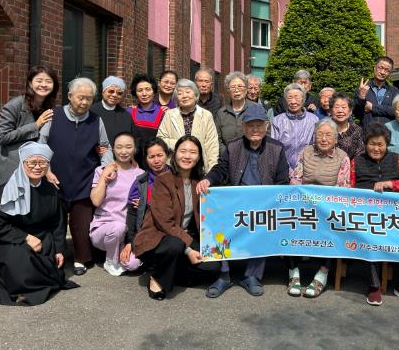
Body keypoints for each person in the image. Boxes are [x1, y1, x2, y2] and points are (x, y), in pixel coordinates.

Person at [196, 103, 290, 298]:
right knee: (218, 221)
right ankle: (224, 275)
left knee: (266, 223)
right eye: (250, 125)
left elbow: (283, 181)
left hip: (264, 204)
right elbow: (221, 169)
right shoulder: (233, 146)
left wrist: (272, 201)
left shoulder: (277, 148)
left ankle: (252, 276)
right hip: (236, 203)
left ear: (266, 126)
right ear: (243, 127)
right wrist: (208, 179)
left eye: (259, 125)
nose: (255, 130)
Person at [0, 142, 78, 305]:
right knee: (20, 262)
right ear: (23, 163)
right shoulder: (5, 190)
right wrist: (26, 237)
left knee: (50, 268)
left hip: (41, 236)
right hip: (7, 238)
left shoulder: (51, 190)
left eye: (43, 162)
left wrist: (59, 250)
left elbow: (57, 223)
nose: (37, 167)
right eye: (32, 162)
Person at [38, 77, 113, 276]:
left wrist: (105, 168)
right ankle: (56, 256)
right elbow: (40, 145)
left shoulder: (96, 120)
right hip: (55, 179)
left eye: (89, 98)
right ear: (70, 96)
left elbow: (105, 147)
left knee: (82, 224)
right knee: (56, 223)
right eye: (80, 97)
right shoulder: (54, 116)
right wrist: (46, 170)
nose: (84, 102)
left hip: (84, 179)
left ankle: (81, 258)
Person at [350, 123, 399, 306]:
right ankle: (374, 286)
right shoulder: (357, 161)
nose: (376, 148)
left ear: (387, 144)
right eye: (372, 144)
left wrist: (390, 184)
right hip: (367, 215)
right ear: (365, 144)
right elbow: (350, 188)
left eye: (380, 144)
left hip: (395, 215)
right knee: (369, 239)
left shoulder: (396, 159)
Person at [134, 136, 209, 300]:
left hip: (183, 235)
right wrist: (188, 250)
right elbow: (165, 223)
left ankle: (170, 270)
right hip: (159, 237)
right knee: (175, 245)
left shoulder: (199, 182)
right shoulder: (163, 180)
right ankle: (156, 277)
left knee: (213, 267)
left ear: (198, 157)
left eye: (193, 152)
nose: (187, 156)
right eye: (183, 151)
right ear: (175, 154)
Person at [288, 118, 350, 297]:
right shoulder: (306, 152)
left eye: (328, 135)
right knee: (289, 224)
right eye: (320, 135)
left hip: (328, 208)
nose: (323, 139)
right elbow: (296, 179)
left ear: (336, 139)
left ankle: (323, 273)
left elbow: (343, 187)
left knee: (333, 227)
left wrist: (323, 204)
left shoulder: (342, 157)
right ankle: (293, 272)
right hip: (304, 204)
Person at [0, 65, 59, 190]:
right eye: (39, 81)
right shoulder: (15, 105)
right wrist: (35, 125)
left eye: (48, 81)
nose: (43, 85)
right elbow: (2, 137)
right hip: (10, 170)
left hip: (35, 170)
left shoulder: (50, 107)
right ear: (30, 83)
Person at [89, 132, 145, 276]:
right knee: (118, 227)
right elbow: (95, 201)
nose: (123, 151)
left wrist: (142, 203)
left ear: (135, 149)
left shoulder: (141, 174)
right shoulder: (101, 170)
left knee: (133, 264)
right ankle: (111, 260)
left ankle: (119, 254)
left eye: (128, 147)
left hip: (127, 232)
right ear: (113, 149)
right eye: (119, 147)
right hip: (104, 229)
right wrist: (104, 176)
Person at [121, 138, 171, 269]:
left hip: (170, 232)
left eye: (160, 155)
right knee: (129, 264)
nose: (156, 160)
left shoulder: (177, 178)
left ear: (167, 155)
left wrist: (148, 204)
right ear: (146, 159)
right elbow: (132, 214)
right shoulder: (141, 182)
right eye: (151, 157)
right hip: (146, 232)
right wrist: (130, 241)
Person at [157, 79, 219, 173]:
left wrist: (211, 171)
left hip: (200, 167)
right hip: (174, 168)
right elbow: (160, 139)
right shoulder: (169, 115)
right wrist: (182, 145)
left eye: (188, 92)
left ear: (195, 95)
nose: (184, 96)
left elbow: (212, 145)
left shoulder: (206, 115)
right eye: (180, 93)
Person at [271, 83, 319, 172]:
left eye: (297, 97)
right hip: (283, 170)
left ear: (303, 99)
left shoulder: (313, 120)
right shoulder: (277, 121)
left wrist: (301, 170)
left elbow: (316, 147)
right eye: (290, 98)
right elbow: (274, 149)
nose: (293, 102)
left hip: (308, 169)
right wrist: (287, 170)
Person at [127, 73, 166, 166]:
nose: (144, 94)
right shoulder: (129, 112)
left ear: (154, 91)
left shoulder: (163, 113)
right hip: (133, 162)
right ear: (135, 93)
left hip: (155, 162)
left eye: (148, 89)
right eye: (140, 90)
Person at [354, 56, 399, 129]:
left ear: (389, 73)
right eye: (380, 68)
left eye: (387, 70)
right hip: (367, 132)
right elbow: (357, 114)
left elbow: (396, 111)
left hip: (387, 132)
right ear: (374, 68)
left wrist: (373, 107)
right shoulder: (364, 88)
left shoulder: (394, 91)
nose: (382, 72)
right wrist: (361, 98)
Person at [215, 72, 256, 151]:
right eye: (233, 87)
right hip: (227, 156)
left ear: (246, 89)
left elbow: (266, 134)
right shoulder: (221, 113)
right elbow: (217, 139)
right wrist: (228, 154)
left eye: (240, 86)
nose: (236, 90)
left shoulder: (256, 109)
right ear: (228, 91)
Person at [90, 76, 134, 147]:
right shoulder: (91, 111)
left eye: (119, 93)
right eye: (111, 91)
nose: (114, 95)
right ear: (103, 92)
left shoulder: (126, 116)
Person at [330, 92, 364, 160]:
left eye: (344, 107)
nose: (340, 110)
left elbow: (360, 155)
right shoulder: (324, 128)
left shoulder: (356, 130)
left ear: (350, 111)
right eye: (336, 107)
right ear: (331, 110)